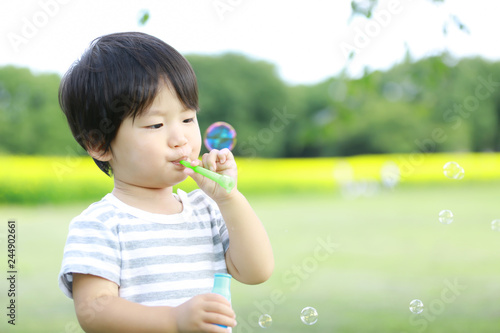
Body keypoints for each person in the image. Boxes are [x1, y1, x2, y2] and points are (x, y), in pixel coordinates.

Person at [58, 32, 274, 333]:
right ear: (98, 144)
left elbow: (257, 271)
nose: (180, 139)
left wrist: (229, 198)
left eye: (187, 119)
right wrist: (173, 321)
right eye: (156, 125)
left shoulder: (206, 210)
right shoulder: (100, 224)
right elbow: (94, 311)